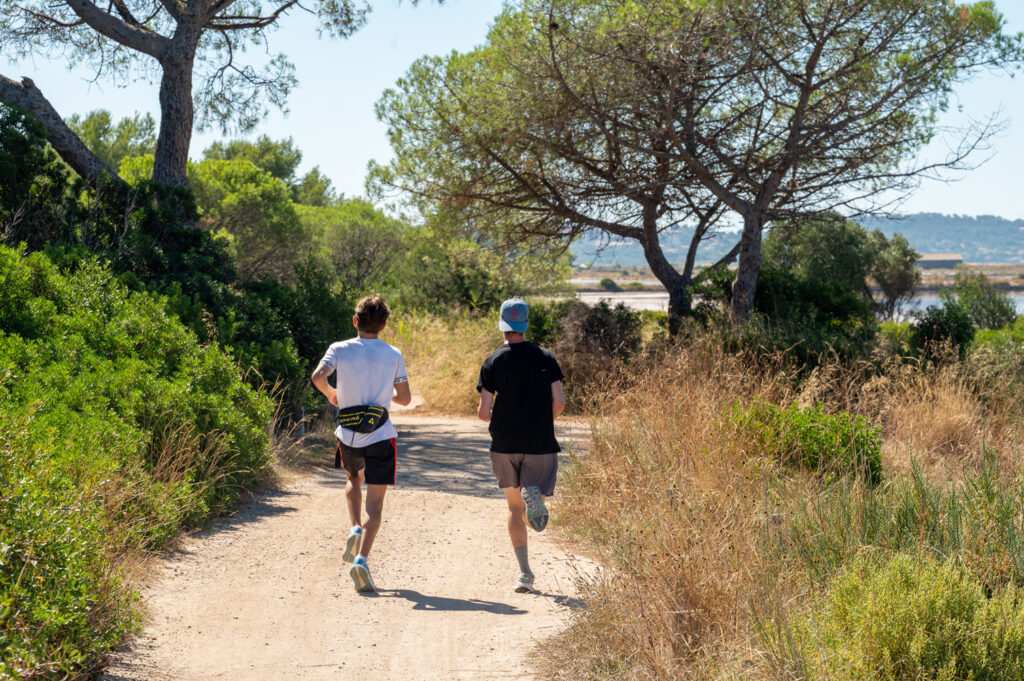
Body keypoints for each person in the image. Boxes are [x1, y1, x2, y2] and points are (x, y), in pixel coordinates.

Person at [312, 294, 411, 593]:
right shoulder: (393, 353)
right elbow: (405, 398)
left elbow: (318, 376)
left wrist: (332, 394)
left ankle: (353, 526)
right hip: (381, 435)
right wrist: (385, 396)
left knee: (353, 480)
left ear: (355, 321)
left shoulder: (339, 349)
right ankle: (362, 560)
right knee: (376, 506)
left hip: (349, 434)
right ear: (383, 325)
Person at [477, 298, 565, 593]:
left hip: (505, 444)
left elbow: (482, 412)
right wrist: (542, 421)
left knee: (515, 510)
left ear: (502, 324)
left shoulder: (492, 361)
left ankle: (525, 575)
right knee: (530, 505)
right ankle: (534, 498)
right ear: (526, 324)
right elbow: (560, 403)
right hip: (540, 443)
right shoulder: (546, 357)